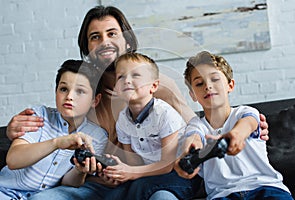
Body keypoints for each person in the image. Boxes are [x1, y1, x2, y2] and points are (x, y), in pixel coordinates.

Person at [7, 5, 269, 199]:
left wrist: (245, 124)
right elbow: (62, 118)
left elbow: (195, 128)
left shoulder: (158, 85)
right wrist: (14, 129)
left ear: (127, 40)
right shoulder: (87, 89)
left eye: (112, 33)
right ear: (87, 48)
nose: (104, 42)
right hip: (105, 180)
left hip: (159, 175)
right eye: (95, 37)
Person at [173, 51, 293, 199]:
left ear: (230, 85)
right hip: (223, 195)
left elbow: (247, 124)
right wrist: (188, 152)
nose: (208, 86)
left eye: (214, 79)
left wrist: (235, 135)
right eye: (199, 83)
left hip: (265, 187)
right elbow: (193, 138)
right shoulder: (196, 125)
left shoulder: (245, 112)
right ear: (193, 95)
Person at [0, 60, 108, 200]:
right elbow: (13, 161)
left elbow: (67, 183)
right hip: (5, 191)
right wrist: (57, 142)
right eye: (63, 89)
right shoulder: (39, 115)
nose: (69, 96)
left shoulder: (97, 136)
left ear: (95, 100)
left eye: (80, 91)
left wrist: (79, 171)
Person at [99, 52, 199, 200]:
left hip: (180, 174)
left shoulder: (164, 114)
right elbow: (133, 161)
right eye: (121, 76)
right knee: (112, 196)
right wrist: (121, 169)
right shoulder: (122, 120)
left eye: (135, 75)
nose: (127, 81)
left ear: (153, 86)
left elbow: (167, 164)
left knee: (144, 190)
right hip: (149, 174)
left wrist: (131, 172)